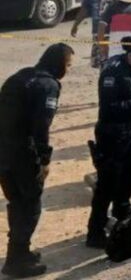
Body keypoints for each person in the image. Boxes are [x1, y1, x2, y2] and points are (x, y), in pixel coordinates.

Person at [0, 44, 73, 277]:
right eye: (68, 65)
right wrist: (44, 158)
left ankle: (20, 251)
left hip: (3, 150)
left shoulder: (19, 76)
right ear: (59, 63)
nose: (69, 70)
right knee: (30, 203)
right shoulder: (48, 85)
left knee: (16, 200)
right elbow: (41, 124)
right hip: (24, 152)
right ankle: (16, 260)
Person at [87, 37, 131, 249]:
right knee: (106, 186)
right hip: (112, 134)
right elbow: (109, 109)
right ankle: (96, 231)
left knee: (128, 180)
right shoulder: (113, 72)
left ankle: (123, 221)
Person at [71, 0, 116, 69]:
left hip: (113, 33)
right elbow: (84, 10)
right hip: (97, 33)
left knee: (114, 62)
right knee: (101, 63)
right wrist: (76, 25)